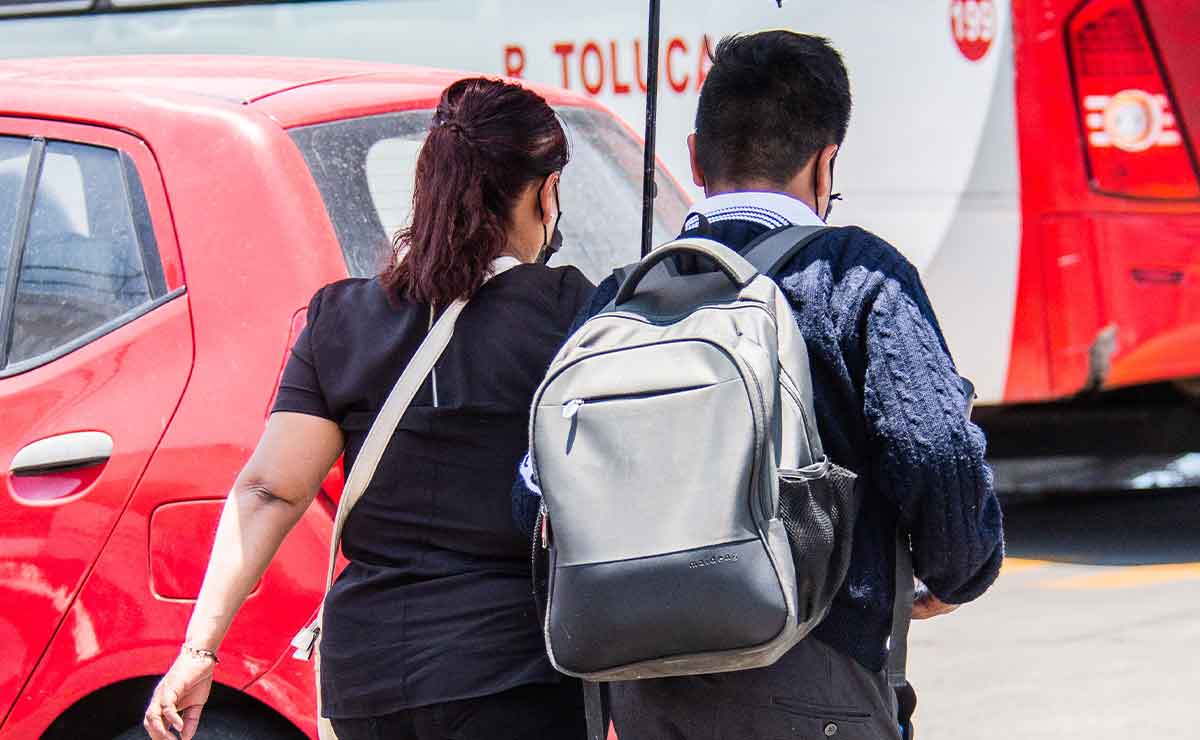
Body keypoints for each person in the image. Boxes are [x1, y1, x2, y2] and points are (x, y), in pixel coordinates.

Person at [515, 31, 1004, 739]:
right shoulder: (856, 275)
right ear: (825, 161)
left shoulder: (620, 299)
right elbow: (932, 448)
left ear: (693, 156)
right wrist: (958, 574)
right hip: (817, 670)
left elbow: (532, 494)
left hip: (644, 686)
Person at [144, 77, 593, 740]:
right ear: (544, 192)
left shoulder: (341, 319)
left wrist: (198, 652)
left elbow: (268, 491)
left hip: (368, 681)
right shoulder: (569, 312)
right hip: (513, 672)